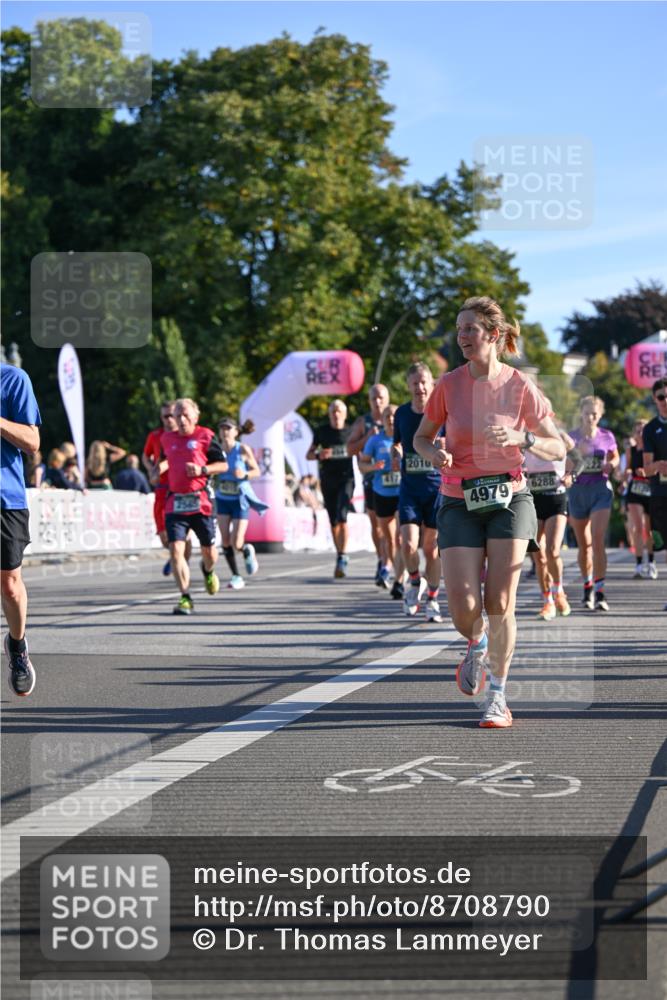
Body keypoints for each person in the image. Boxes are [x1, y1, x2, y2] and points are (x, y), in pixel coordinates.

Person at [414, 296, 564, 729]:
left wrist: (523, 438)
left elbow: (558, 446)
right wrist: (434, 454)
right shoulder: (448, 385)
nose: (461, 336)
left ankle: (497, 696)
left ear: (493, 335)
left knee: (500, 602)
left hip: (511, 498)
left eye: (470, 329)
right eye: (459, 329)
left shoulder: (520, 385)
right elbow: (423, 437)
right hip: (458, 499)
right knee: (463, 608)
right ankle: (476, 642)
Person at [159, 398, 228, 614]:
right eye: (177, 415)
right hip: (176, 502)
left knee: (209, 552)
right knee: (176, 551)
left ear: (195, 417)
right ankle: (185, 597)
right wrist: (155, 470)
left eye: (185, 415)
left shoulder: (205, 436)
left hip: (201, 501)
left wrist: (202, 470)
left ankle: (208, 571)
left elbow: (223, 465)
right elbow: (165, 460)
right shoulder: (166, 438)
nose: (181, 420)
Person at [1, 363, 41, 696]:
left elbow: (32, 441)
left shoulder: (13, 379)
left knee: (10, 585)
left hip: (6, 499)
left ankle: (17, 646)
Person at [392, 362, 444, 621]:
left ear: (431, 383)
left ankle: (432, 599)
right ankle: (415, 581)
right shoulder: (402, 414)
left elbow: (453, 443)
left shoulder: (442, 413)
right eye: (415, 383)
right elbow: (397, 443)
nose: (420, 387)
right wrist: (395, 453)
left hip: (436, 489)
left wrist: (445, 447)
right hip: (410, 489)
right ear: (408, 385)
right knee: (408, 543)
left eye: (424, 382)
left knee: (432, 549)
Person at [567, 396, 620, 611]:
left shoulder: (607, 436)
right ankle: (587, 586)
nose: (591, 417)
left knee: (598, 540)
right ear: (581, 413)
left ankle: (600, 591)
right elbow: (566, 466)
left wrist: (611, 465)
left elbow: (615, 457)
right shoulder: (572, 437)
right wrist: (574, 462)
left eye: (595, 414)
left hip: (600, 489)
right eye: (588, 413)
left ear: (600, 415)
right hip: (578, 491)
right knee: (584, 545)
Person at [524, 426, 574, 620]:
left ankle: (558, 590)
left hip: (556, 500)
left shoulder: (559, 437)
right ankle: (548, 601)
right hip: (534, 501)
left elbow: (577, 460)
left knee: (553, 550)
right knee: (539, 556)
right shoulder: (525, 439)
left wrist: (571, 475)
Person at [359, 404, 406, 594]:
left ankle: (399, 579)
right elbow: (362, 465)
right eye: (387, 416)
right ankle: (394, 570)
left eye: (394, 416)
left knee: (400, 537)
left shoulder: (407, 437)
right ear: (383, 420)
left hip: (403, 493)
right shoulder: (375, 440)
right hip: (381, 493)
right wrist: (373, 467)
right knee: (389, 540)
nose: (391, 419)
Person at [215, 417, 266, 589]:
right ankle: (236, 576)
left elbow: (256, 471)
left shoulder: (242, 449)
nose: (224, 431)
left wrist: (244, 474)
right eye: (222, 428)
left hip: (239, 499)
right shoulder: (216, 450)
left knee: (236, 542)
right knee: (225, 541)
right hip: (222, 498)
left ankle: (245, 550)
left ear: (236, 432)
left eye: (228, 428)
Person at [347, 384, 391, 586]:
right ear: (369, 401)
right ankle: (382, 560)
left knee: (395, 528)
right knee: (377, 526)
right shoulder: (363, 422)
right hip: (372, 480)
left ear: (387, 398)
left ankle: (391, 563)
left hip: (396, 481)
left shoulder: (396, 417)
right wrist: (367, 437)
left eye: (381, 397)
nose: (378, 402)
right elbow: (349, 449)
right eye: (374, 398)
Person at [307, 400, 355, 578]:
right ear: (329, 414)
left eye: (339, 411)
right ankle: (340, 554)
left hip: (346, 479)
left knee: (342, 516)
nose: (336, 414)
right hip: (328, 480)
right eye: (333, 411)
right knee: (333, 521)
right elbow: (309, 454)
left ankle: (343, 555)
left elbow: (360, 449)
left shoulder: (351, 431)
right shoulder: (322, 431)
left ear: (345, 414)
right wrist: (319, 454)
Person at [143, 402, 190, 577]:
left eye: (172, 415)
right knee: (163, 534)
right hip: (162, 487)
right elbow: (145, 456)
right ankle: (175, 555)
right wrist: (151, 470)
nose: (169, 420)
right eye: (166, 416)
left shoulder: (186, 435)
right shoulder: (156, 436)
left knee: (184, 533)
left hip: (181, 487)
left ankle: (180, 560)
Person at [641, 378, 667, 609]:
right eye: (661, 397)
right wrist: (658, 465)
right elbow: (646, 469)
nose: (665, 401)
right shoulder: (650, 429)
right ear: (654, 399)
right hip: (661, 493)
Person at [624, 419, 657, 579]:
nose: (641, 433)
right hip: (635, 490)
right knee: (638, 528)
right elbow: (627, 468)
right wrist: (627, 473)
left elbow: (659, 468)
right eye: (638, 431)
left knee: (649, 530)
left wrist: (648, 472)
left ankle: (650, 562)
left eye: (644, 430)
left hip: (651, 490)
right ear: (634, 435)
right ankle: (638, 565)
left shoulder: (654, 448)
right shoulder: (631, 450)